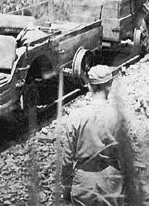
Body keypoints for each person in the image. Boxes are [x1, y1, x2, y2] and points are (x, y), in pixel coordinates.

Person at [61, 65, 123, 206]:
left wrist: (66, 187)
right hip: (111, 181)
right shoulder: (117, 116)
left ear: (89, 86)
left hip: (84, 183)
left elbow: (67, 159)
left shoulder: (76, 116)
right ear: (110, 85)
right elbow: (125, 156)